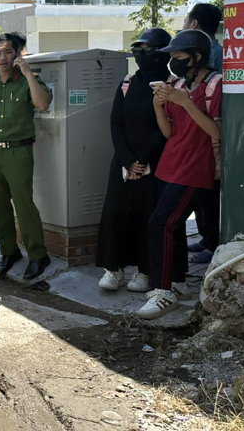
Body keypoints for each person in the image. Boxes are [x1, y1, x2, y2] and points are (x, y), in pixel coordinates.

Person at [140, 30, 222, 320]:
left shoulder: (215, 84)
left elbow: (217, 131)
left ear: (197, 56)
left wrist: (185, 101)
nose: (173, 63)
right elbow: (169, 132)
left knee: (160, 223)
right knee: (170, 227)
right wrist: (158, 104)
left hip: (194, 168)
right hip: (169, 164)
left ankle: (162, 292)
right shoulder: (177, 82)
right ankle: (175, 283)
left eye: (178, 57)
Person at [95, 28, 172, 293]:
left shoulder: (171, 85)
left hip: (157, 161)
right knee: (115, 213)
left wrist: (144, 159)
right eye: (137, 48)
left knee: (146, 216)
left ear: (163, 52)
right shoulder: (127, 83)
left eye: (148, 49)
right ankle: (113, 269)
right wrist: (128, 159)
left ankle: (144, 271)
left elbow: (169, 127)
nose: (141, 54)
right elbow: (116, 123)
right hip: (124, 162)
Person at [0, 32, 53, 281]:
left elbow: (42, 104)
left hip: (19, 151)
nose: (2, 57)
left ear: (18, 54)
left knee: (24, 204)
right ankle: (9, 252)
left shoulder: (28, 81)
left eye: (8, 51)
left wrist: (28, 73)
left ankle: (38, 255)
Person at [182, 2, 224, 262]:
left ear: (194, 24)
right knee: (202, 191)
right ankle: (206, 238)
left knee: (208, 190)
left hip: (209, 130)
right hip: (199, 129)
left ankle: (212, 243)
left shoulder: (211, 54)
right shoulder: (218, 50)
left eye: (187, 20)